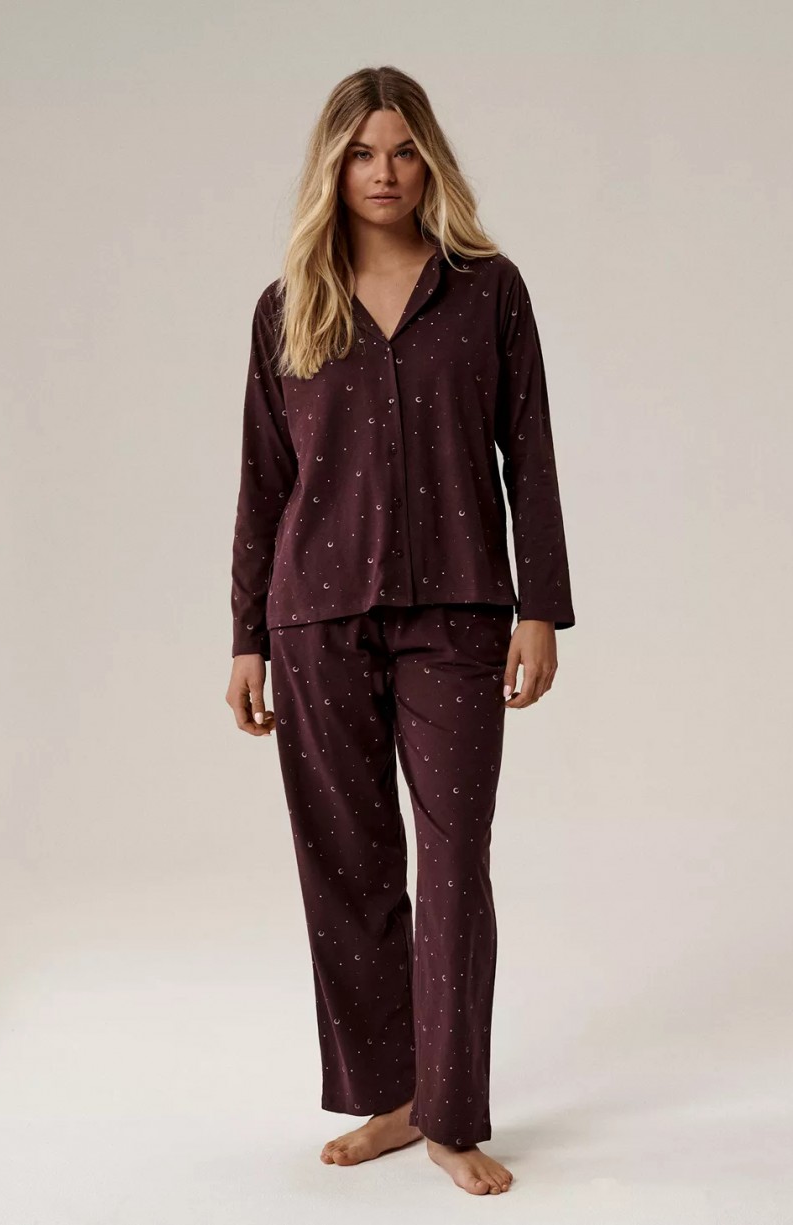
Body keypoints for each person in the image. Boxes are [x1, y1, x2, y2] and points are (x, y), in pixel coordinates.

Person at [225, 65, 575, 1196]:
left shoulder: (487, 290)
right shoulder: (288, 306)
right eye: (363, 154)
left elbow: (530, 451)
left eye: (404, 150)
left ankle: (452, 1112)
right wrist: (245, 636)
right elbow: (264, 482)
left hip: (458, 612)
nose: (385, 173)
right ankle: (394, 1095)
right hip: (314, 617)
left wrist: (540, 605)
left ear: (432, 160)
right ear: (333, 168)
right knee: (350, 864)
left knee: (455, 858)